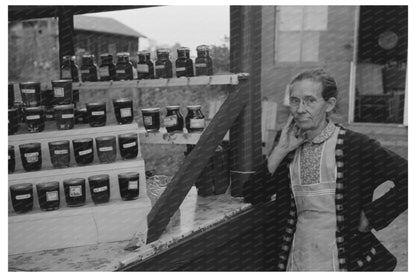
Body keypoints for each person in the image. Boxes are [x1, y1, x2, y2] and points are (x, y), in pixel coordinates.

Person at [243, 68, 407, 271]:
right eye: (295, 101)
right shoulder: (287, 146)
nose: (300, 109)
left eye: (310, 100)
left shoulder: (356, 146)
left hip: (342, 258)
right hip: (296, 256)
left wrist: (370, 216)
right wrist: (281, 149)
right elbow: (253, 193)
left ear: (329, 104)